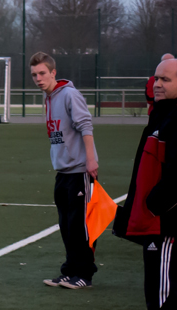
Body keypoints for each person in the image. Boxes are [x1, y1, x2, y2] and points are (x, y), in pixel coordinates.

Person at [114, 58, 177, 310]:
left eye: (166, 80)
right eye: (155, 79)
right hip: (159, 223)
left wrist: (155, 204)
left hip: (167, 225)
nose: (157, 84)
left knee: (161, 296)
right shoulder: (166, 112)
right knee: (174, 292)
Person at [30, 52, 100, 289]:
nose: (38, 78)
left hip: (80, 171)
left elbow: (85, 126)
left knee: (81, 226)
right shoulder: (49, 98)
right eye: (34, 75)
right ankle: (70, 271)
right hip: (63, 172)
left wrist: (91, 161)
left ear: (53, 73)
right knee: (66, 225)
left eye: (42, 73)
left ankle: (85, 275)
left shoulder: (69, 94)